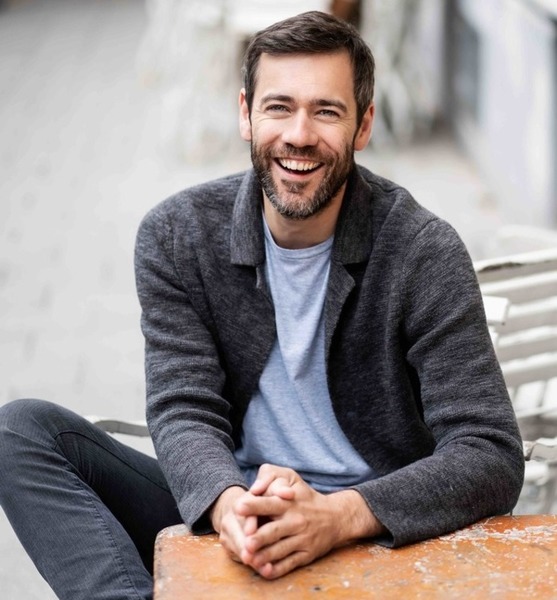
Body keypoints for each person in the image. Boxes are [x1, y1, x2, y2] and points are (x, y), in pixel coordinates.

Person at [0, 10, 524, 600]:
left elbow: (490, 452)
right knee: (19, 431)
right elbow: (184, 408)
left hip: (376, 527)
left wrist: (338, 516)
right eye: (279, 107)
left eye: (326, 111)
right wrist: (228, 506)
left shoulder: (422, 251)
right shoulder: (178, 235)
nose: (299, 134)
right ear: (246, 114)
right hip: (235, 505)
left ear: (363, 126)